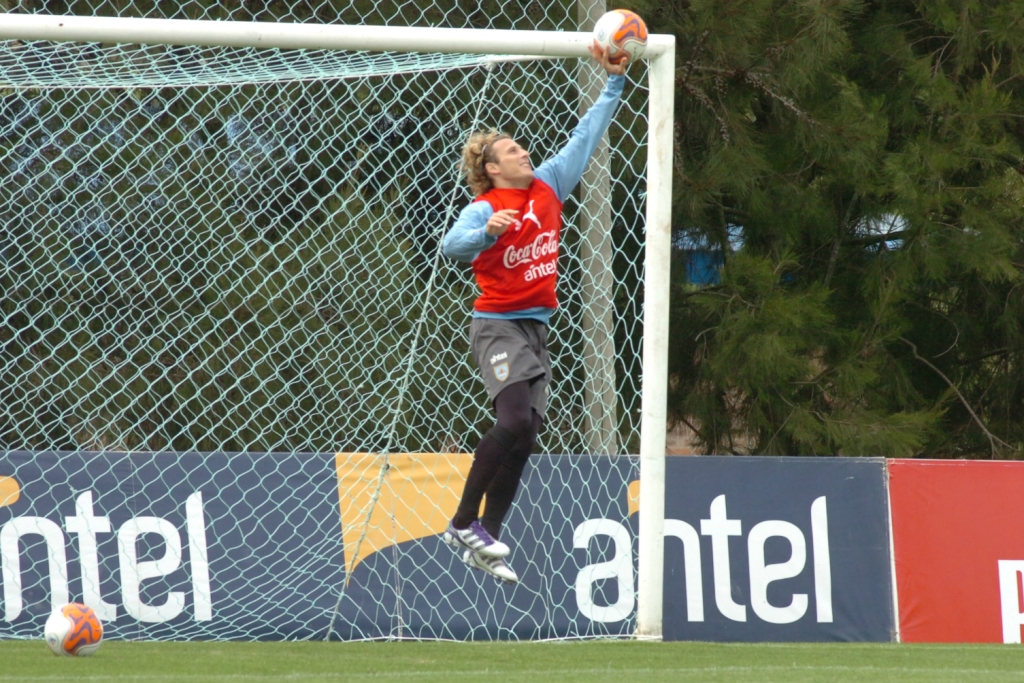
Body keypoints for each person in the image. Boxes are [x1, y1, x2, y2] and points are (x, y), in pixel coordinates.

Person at [441, 43, 629, 584]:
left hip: (535, 328)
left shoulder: (550, 182)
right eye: (514, 152)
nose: (525, 154)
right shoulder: (485, 207)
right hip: (496, 324)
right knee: (515, 420)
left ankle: (487, 534)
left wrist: (613, 82)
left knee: (526, 435)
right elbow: (451, 246)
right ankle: (461, 523)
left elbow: (586, 134)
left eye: (524, 149)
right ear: (492, 168)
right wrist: (484, 232)